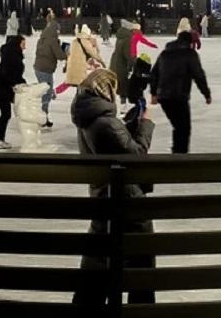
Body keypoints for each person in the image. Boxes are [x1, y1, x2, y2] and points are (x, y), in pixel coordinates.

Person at [70, 68, 156, 308]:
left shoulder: (88, 118)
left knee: (96, 266)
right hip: (126, 207)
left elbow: (116, 146)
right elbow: (135, 155)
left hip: (102, 202)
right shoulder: (105, 124)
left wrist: (126, 125)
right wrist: (146, 123)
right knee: (141, 267)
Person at [150, 31, 212, 153]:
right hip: (179, 96)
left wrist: (154, 93)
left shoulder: (164, 53)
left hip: (164, 97)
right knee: (183, 128)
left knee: (179, 127)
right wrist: (206, 94)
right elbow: (199, 75)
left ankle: (177, 153)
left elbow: (154, 74)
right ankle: (179, 158)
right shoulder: (190, 54)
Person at [0, 36, 27, 150]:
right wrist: (16, 83)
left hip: (4, 88)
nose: (25, 46)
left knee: (6, 114)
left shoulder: (13, 55)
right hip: (1, 89)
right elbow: (7, 74)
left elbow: (15, 75)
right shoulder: (11, 57)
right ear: (17, 44)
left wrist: (22, 83)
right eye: (23, 44)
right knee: (6, 114)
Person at [33, 19, 68, 127]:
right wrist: (66, 51)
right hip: (46, 69)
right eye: (58, 30)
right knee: (46, 95)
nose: (59, 32)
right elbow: (60, 56)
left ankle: (43, 117)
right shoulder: (53, 40)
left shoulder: (42, 38)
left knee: (45, 93)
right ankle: (42, 118)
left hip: (38, 68)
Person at [58, 25, 104, 94]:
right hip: (79, 67)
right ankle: (82, 97)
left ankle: (56, 91)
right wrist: (101, 60)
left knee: (70, 81)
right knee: (82, 83)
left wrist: (66, 65)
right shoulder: (85, 41)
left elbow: (69, 53)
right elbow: (93, 53)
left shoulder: (75, 41)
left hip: (72, 65)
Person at [110, 19, 137, 102]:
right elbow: (129, 55)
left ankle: (113, 107)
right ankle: (123, 110)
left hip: (115, 65)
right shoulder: (128, 38)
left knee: (117, 88)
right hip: (122, 67)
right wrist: (134, 65)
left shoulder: (121, 36)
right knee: (124, 89)